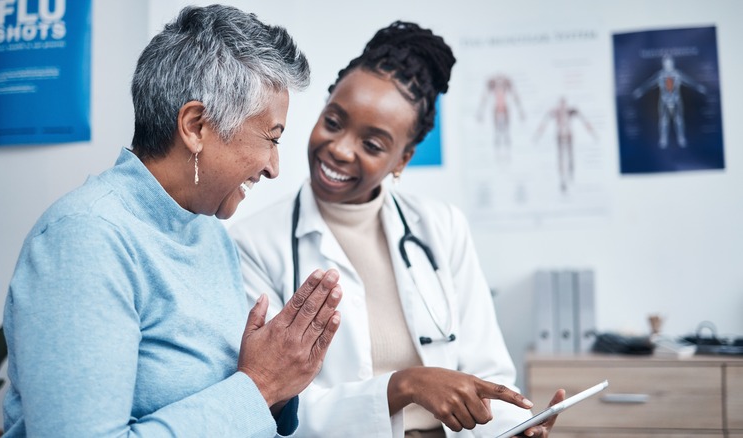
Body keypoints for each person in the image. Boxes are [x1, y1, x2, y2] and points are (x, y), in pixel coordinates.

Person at [2, 5, 343, 437]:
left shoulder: (208, 232)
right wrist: (259, 387)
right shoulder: (84, 239)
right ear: (196, 126)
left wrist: (279, 378)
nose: (274, 167)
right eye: (271, 139)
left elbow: (230, 399)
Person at [230, 21, 564, 437]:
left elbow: (486, 372)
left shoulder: (442, 227)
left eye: (372, 145)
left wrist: (516, 426)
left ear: (402, 160)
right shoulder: (253, 244)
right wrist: (403, 387)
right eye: (333, 121)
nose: (340, 148)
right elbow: (273, 406)